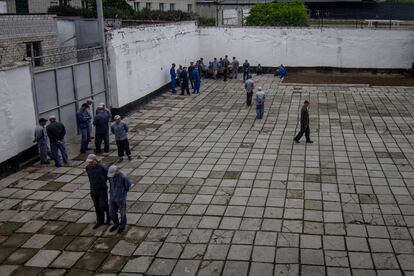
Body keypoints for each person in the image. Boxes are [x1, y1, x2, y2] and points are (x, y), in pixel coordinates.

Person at [85, 154, 110, 229]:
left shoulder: (102, 168)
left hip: (102, 190)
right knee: (97, 207)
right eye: (89, 162)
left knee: (103, 205)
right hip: (93, 190)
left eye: (91, 162)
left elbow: (107, 177)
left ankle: (109, 216)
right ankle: (100, 221)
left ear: (95, 160)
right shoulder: (88, 167)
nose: (90, 163)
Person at [108, 165, 131, 233]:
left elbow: (128, 186)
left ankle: (122, 226)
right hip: (112, 198)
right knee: (111, 212)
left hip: (121, 199)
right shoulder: (111, 177)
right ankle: (116, 224)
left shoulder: (124, 177)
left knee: (122, 213)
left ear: (117, 171)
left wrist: (123, 194)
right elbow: (110, 184)